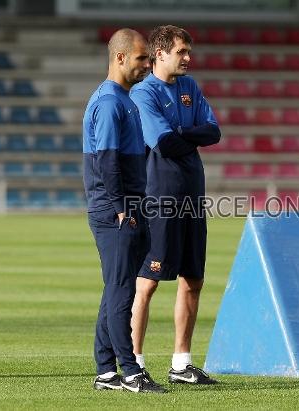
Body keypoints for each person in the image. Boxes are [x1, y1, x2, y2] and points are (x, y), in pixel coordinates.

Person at [130, 25, 220, 384]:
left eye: (188, 51)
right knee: (147, 283)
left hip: (193, 196)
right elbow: (162, 142)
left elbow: (214, 131)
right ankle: (134, 361)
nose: (188, 58)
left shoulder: (189, 87)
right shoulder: (143, 93)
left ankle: (181, 364)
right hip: (160, 198)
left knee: (193, 279)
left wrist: (181, 133)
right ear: (160, 54)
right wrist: (187, 135)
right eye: (181, 52)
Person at [82, 28, 164, 393]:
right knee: (121, 293)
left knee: (116, 288)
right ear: (119, 58)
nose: (147, 65)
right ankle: (130, 371)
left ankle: (106, 370)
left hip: (130, 205)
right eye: (141, 58)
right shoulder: (109, 102)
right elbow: (106, 161)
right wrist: (119, 208)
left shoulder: (123, 98)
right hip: (117, 210)